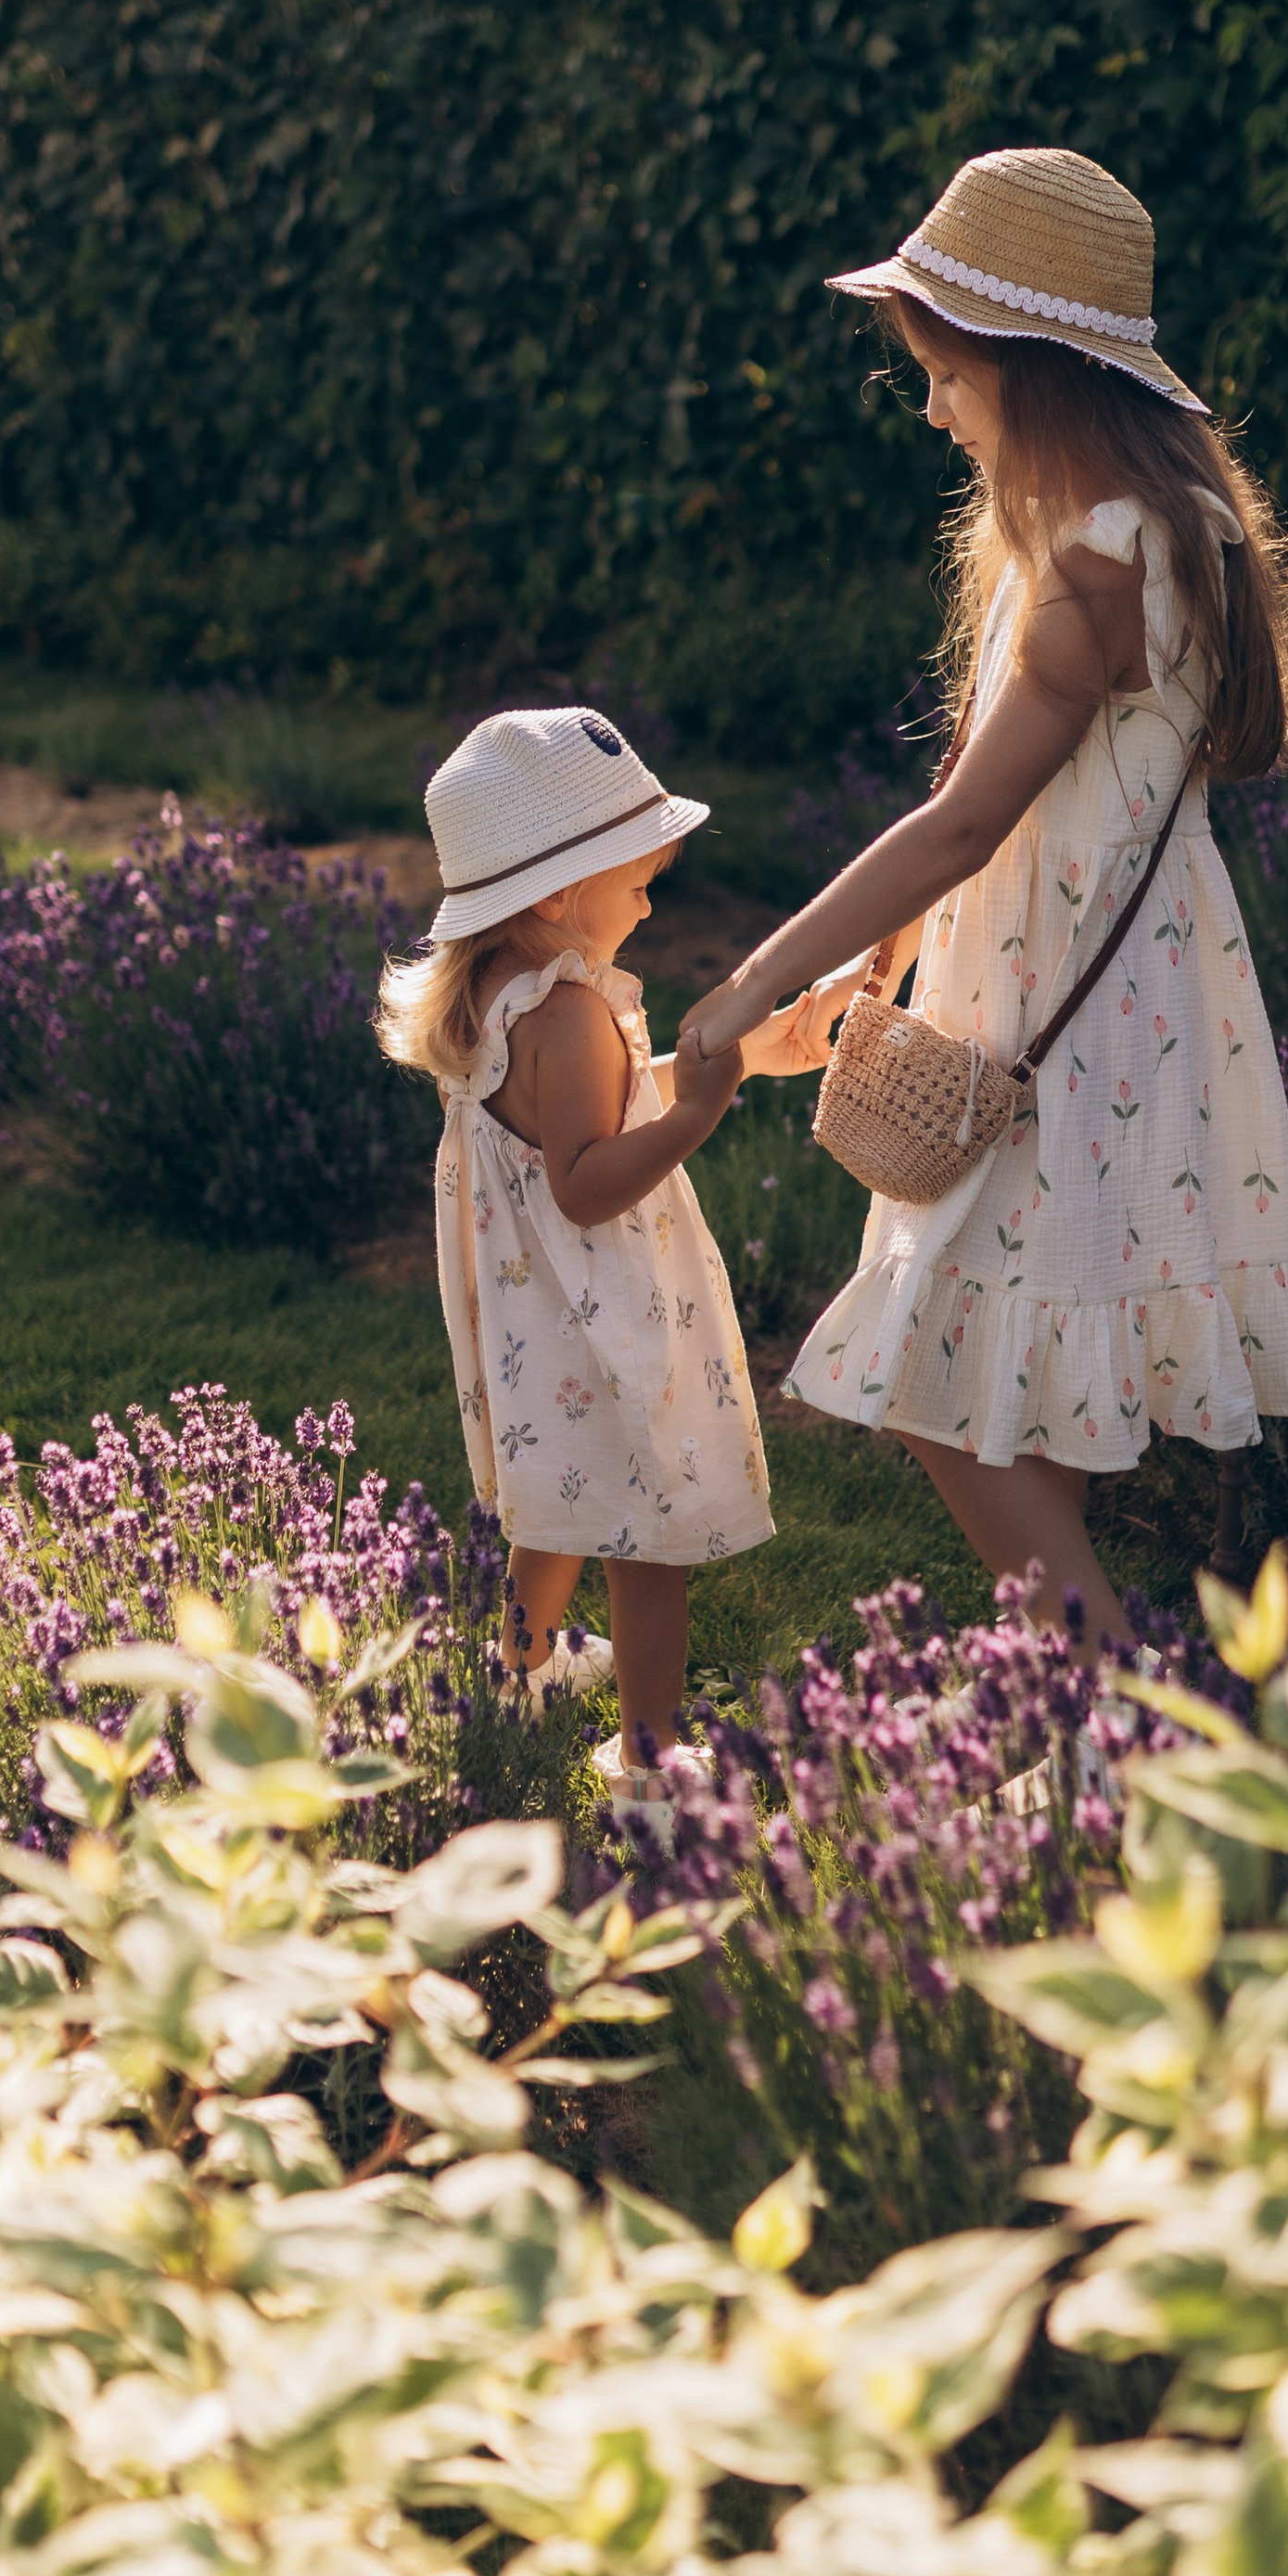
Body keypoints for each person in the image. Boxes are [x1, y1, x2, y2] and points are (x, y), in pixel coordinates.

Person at [682, 146, 1288, 1654]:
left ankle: (1106, 1699)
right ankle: (1074, 1708)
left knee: (937, 1371)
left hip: (1067, 1030)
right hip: (1110, 1004)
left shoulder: (1102, 565)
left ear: (1035, 370)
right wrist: (881, 965)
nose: (932, 408)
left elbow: (965, 823)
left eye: (948, 375)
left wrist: (748, 983)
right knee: (1024, 1371)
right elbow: (992, 804)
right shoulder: (1152, 527)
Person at [377, 704, 823, 1816]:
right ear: (554, 894)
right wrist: (702, 1111)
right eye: (637, 880)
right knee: (650, 1540)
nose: (650, 901)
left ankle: (510, 1686)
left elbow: (589, 1110)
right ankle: (650, 1765)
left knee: (556, 1507)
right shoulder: (571, 1013)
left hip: (542, 1328)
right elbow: (584, 1179)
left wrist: (748, 1055)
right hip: (604, 1315)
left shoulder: (499, 1000)